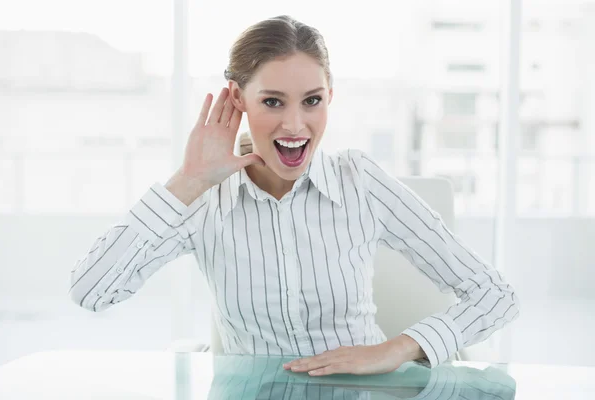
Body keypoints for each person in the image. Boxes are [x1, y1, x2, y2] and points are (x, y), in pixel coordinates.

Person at [69, 15, 519, 376]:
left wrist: (398, 348)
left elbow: (496, 295)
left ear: (329, 98)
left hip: (360, 394)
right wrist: (187, 181)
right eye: (272, 102)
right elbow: (92, 291)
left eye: (311, 100)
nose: (295, 126)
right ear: (238, 99)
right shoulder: (205, 196)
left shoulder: (360, 182)